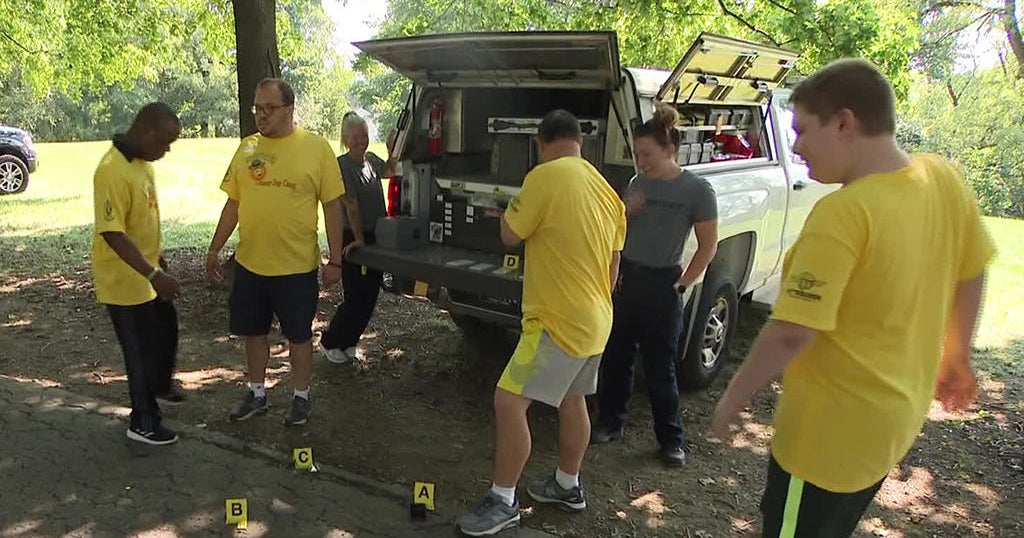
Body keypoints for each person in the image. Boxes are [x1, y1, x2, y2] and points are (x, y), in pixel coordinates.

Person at [710, 59, 996, 537]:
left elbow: (792, 332)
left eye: (802, 130)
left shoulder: (843, 213)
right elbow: (973, 269)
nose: (795, 146)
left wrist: (733, 396)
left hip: (826, 442)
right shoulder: (942, 179)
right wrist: (956, 355)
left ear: (844, 123)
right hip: (891, 423)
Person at [456, 110, 626, 536]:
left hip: (556, 320)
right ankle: (567, 485)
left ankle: (503, 501)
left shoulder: (543, 177)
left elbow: (510, 235)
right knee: (572, 399)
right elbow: (613, 266)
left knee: (509, 402)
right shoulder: (607, 191)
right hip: (597, 318)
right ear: (579, 141)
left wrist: (507, 213)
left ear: (541, 142)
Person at [206, 78, 349, 427]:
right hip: (251, 264)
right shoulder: (247, 148)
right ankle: (257, 393)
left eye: (269, 108)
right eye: (257, 108)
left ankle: (301, 397)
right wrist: (214, 248)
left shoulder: (316, 149)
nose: (261, 115)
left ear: (289, 109)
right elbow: (233, 203)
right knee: (253, 333)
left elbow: (333, 207)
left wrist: (335, 260)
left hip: (295, 267)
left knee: (298, 335)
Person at [591, 103, 719, 467]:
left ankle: (671, 439)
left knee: (661, 365)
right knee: (616, 355)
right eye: (637, 154)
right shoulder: (637, 183)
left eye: (647, 154)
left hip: (665, 282)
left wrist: (682, 285)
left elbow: (708, 245)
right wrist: (625, 211)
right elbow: (618, 232)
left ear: (670, 150)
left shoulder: (697, 190)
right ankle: (611, 422)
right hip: (629, 276)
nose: (641, 161)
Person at [91, 102, 184, 445]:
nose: (167, 151)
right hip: (122, 279)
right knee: (139, 348)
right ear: (146, 132)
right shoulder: (111, 170)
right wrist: (153, 275)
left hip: (146, 272)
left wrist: (158, 261)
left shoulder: (143, 164)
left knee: (166, 326)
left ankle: (158, 384)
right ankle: (143, 421)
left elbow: (143, 219)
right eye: (164, 142)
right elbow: (113, 233)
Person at [318, 111, 397, 363]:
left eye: (363, 135)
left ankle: (349, 342)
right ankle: (331, 342)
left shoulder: (371, 160)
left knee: (371, 293)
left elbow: (391, 171)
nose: (360, 141)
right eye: (354, 137)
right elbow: (351, 206)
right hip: (352, 237)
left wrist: (392, 148)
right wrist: (359, 239)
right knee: (356, 295)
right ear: (345, 139)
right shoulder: (341, 165)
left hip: (375, 235)